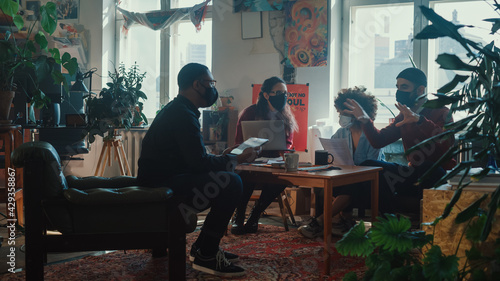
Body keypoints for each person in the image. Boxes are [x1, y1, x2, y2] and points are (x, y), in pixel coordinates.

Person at [137, 63, 261, 277]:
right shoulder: (183, 115)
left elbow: (193, 159)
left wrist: (225, 157)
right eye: (211, 83)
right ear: (197, 84)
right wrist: (233, 158)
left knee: (229, 178)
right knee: (232, 183)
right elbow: (198, 164)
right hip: (162, 185)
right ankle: (207, 255)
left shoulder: (179, 109)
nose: (213, 88)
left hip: (163, 178)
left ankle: (202, 247)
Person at [345, 67, 456, 214]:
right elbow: (379, 140)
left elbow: (445, 142)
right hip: (412, 174)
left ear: (420, 90)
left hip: (438, 174)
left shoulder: (442, 112)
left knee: (427, 167)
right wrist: (366, 120)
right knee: (369, 166)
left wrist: (419, 120)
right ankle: (389, 221)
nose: (399, 91)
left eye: (404, 87)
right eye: (397, 87)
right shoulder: (404, 115)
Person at [299, 86, 384, 238]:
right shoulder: (341, 133)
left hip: (370, 184)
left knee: (353, 186)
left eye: (345, 113)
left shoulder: (372, 135)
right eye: (340, 113)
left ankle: (319, 223)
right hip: (346, 181)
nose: (341, 117)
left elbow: (374, 167)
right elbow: (333, 160)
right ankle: (344, 221)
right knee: (332, 184)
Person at [231, 76, 299, 235]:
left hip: (273, 162)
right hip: (250, 160)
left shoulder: (286, 115)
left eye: (285, 93)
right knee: (246, 175)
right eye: (279, 92)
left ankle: (255, 215)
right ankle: (239, 216)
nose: (283, 96)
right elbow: (239, 141)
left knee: (283, 178)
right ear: (267, 95)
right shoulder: (250, 112)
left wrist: (283, 149)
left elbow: (288, 142)